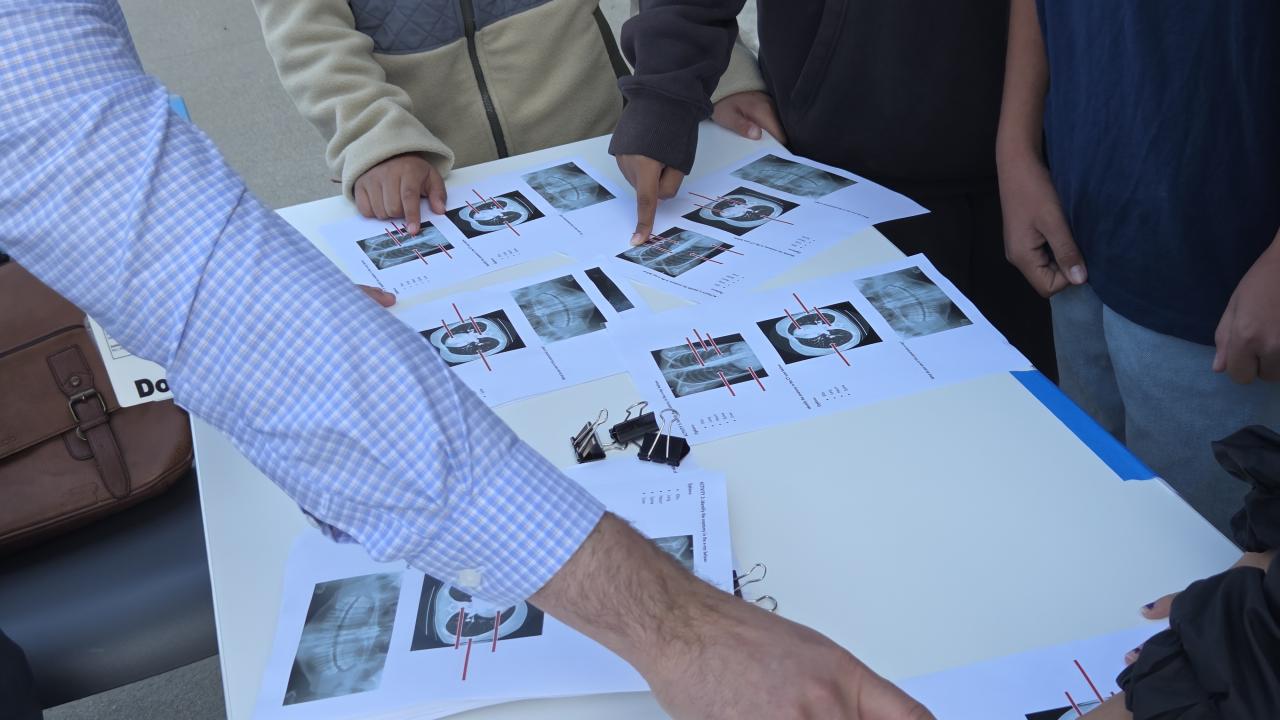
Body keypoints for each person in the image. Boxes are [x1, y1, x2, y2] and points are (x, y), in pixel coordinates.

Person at [0, 3, 931, 718]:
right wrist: (372, 134)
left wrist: (702, 75)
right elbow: (192, 264)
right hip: (427, 168)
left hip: (595, 136)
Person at [607, 0, 1057, 378]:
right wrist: (665, 92)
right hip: (825, 177)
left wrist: (1022, 147)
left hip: (1038, 175)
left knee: (1040, 414)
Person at [996, 0, 1280, 533]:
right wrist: (1015, 147)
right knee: (1100, 529)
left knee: (1205, 560)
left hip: (1229, 284)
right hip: (1078, 232)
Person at [251, 0, 781, 236]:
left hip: (606, 148)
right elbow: (308, 36)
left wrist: (715, 76)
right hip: (435, 183)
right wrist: (374, 137)